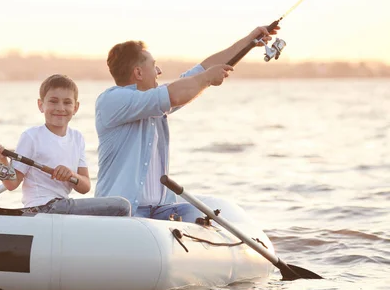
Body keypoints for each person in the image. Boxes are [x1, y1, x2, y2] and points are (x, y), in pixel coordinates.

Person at [94, 26, 278, 221]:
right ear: (138, 73)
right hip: (123, 210)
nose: (159, 71)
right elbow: (179, 91)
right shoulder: (113, 100)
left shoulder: (151, 103)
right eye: (153, 65)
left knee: (211, 214)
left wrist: (248, 42)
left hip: (160, 208)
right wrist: (207, 79)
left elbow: (197, 73)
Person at [0, 74, 131, 216]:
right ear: (41, 105)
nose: (60, 108)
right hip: (42, 208)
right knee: (121, 206)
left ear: (76, 108)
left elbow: (85, 187)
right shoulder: (31, 136)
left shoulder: (77, 138)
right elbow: (12, 185)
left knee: (121, 205)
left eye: (67, 102)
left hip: (63, 206)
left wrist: (70, 175)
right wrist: (2, 159)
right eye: (53, 101)